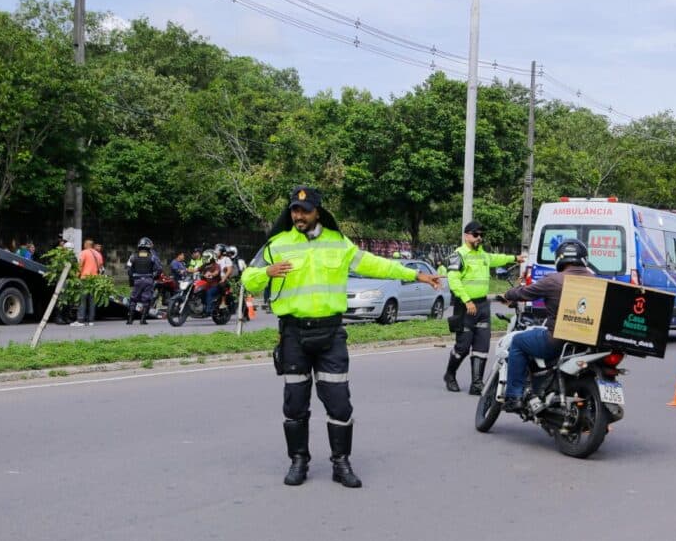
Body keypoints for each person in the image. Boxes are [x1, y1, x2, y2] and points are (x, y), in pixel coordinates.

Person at [242, 186, 441, 488]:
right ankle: (298, 460)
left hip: (331, 333)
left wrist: (415, 274)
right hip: (293, 334)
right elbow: (247, 279)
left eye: (305, 211)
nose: (299, 215)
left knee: (339, 403)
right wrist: (267, 272)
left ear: (317, 212)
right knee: (295, 403)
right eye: (295, 210)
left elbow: (375, 263)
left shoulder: (339, 243)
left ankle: (341, 463)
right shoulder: (277, 244)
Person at [498, 239, 595, 413]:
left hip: (557, 340)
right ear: (584, 258)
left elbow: (525, 293)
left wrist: (507, 294)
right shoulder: (596, 281)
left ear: (560, 259)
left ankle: (514, 396)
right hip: (588, 342)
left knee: (519, 342)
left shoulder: (554, 279)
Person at [443, 220, 525, 395]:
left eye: (481, 235)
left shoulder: (483, 255)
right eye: (475, 235)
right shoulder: (458, 255)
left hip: (482, 306)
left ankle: (477, 384)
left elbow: (497, 259)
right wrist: (467, 300)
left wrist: (515, 258)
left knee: (482, 345)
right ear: (466, 236)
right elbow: (453, 280)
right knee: (463, 346)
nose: (479, 238)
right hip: (465, 306)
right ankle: (450, 375)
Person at [125, 236, 162, 325]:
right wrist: (153, 277)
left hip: (137, 280)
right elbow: (159, 269)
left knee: (133, 299)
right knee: (147, 300)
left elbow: (129, 269)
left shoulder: (133, 256)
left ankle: (130, 320)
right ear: (149, 246)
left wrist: (133, 278)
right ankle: (143, 320)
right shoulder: (153, 257)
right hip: (148, 280)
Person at [73, 238, 103, 326]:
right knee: (92, 300)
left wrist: (76, 276)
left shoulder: (84, 252)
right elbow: (100, 266)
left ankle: (80, 320)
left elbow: (80, 265)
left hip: (85, 278)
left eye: (84, 244)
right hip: (94, 279)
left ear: (86, 245)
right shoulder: (98, 254)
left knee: (82, 299)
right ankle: (91, 320)